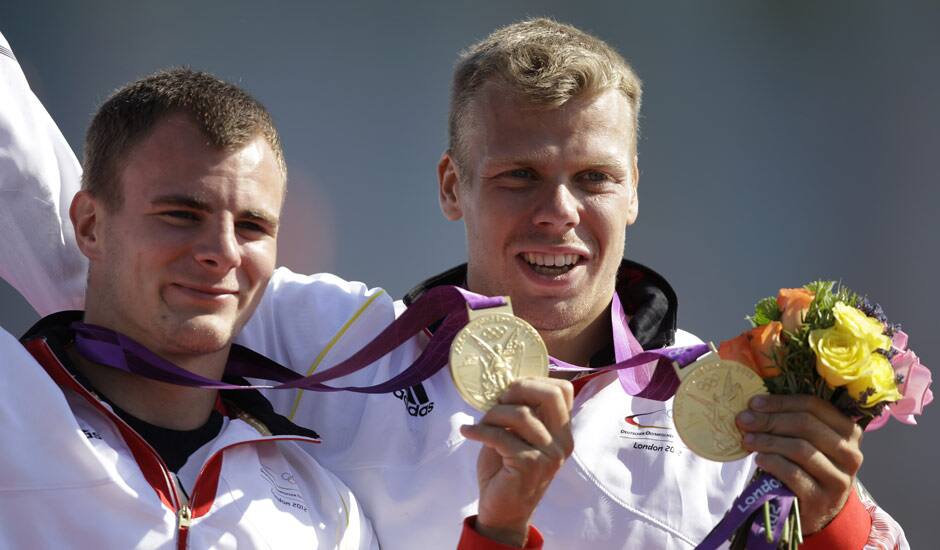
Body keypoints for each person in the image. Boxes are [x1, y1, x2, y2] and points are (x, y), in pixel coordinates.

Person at [1, 19, 907, 549]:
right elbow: (86, 242)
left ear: (634, 187)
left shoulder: (731, 407)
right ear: (451, 186)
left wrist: (834, 522)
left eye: (592, 177)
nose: (557, 210)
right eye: (517, 176)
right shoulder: (332, 340)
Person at [0, 36, 570, 549]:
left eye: (252, 227)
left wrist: (496, 531)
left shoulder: (323, 515)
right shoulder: (13, 405)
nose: (221, 251)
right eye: (180, 214)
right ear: (90, 225)